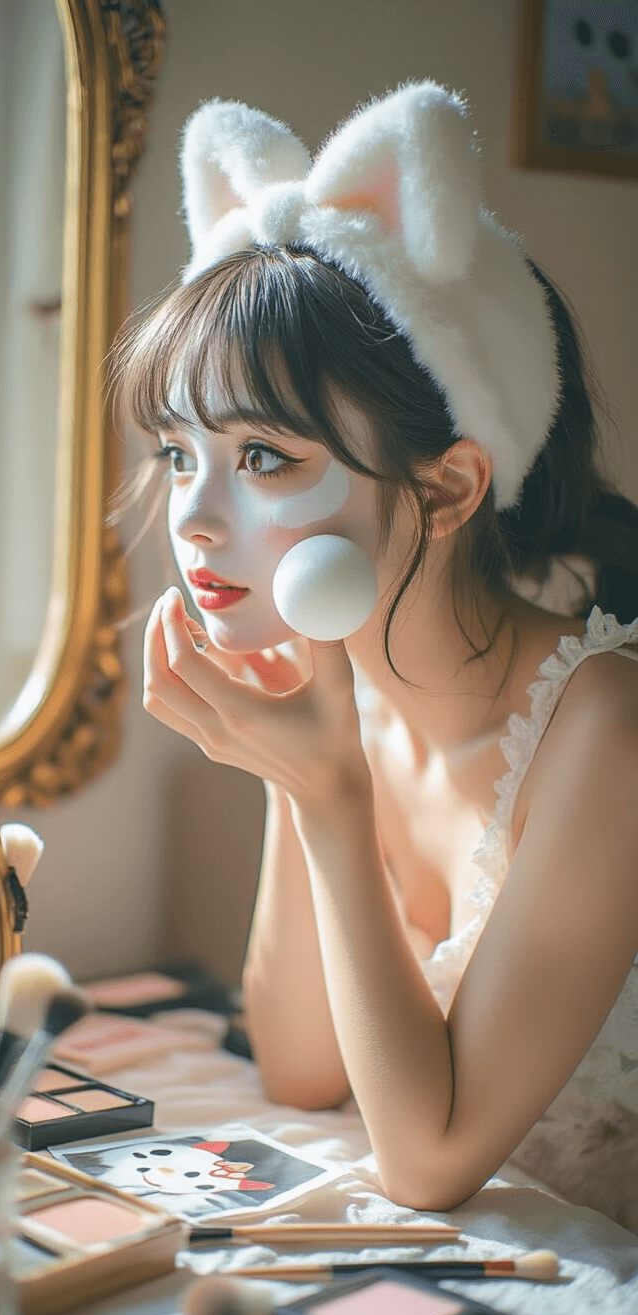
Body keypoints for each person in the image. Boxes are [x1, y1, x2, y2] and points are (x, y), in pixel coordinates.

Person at [113, 82, 638, 1232]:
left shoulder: (604, 728)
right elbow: (300, 1067)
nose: (193, 519)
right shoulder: (346, 685)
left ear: (446, 489)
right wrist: (298, 768)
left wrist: (327, 796)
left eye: (262, 456)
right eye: (179, 452)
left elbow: (426, 1162)